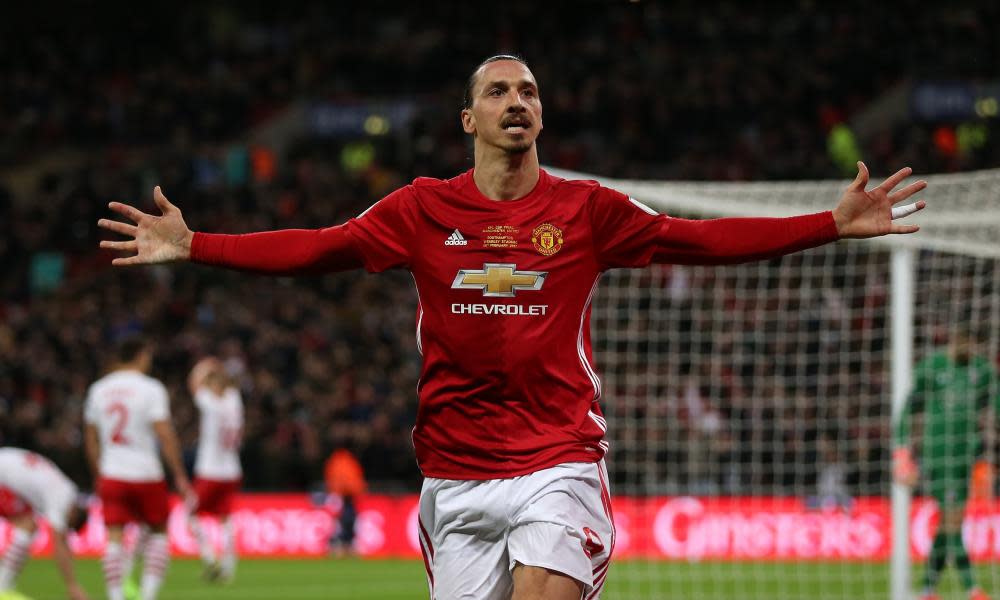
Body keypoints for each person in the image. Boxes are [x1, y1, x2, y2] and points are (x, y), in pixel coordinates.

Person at [98, 54, 927, 600]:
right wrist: (196, 243)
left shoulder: (585, 209)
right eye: (498, 91)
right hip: (455, 474)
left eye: (528, 91)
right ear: (469, 120)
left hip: (556, 459)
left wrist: (828, 221)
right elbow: (319, 249)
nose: (517, 102)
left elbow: (699, 238)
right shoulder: (421, 208)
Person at [84, 337, 194, 600]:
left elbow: (91, 440)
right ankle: (147, 596)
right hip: (146, 473)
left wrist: (99, 474)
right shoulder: (151, 388)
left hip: (112, 473)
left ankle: (115, 597)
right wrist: (179, 473)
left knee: (114, 538)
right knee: (158, 533)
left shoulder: (98, 389)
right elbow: (165, 434)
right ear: (141, 355)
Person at [893, 325, 997, 600]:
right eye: (963, 341)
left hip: (966, 458)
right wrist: (902, 452)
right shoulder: (933, 367)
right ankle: (971, 587)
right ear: (955, 339)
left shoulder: (983, 371)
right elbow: (907, 409)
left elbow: (996, 406)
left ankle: (927, 589)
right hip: (938, 457)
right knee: (952, 520)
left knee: (947, 524)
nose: (966, 348)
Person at [0, 447, 91, 600]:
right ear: (73, 516)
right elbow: (59, 544)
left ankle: (3, 586)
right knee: (27, 525)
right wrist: (72, 585)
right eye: (69, 526)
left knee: (28, 525)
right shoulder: (60, 498)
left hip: (5, 466)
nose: (65, 529)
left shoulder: (66, 489)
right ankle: (3, 589)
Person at [185, 357, 244, 582]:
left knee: (189, 515)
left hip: (210, 470)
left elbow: (194, 383)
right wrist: (219, 372)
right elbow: (229, 386)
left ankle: (209, 557)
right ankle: (229, 565)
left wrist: (203, 366)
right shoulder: (234, 400)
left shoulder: (210, 403)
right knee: (226, 518)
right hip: (232, 470)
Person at [323, 445, 367, 557]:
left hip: (339, 495)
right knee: (345, 521)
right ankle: (342, 545)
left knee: (340, 522)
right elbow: (355, 481)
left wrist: (335, 490)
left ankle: (339, 545)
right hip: (345, 496)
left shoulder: (335, 462)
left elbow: (332, 479)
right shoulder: (350, 462)